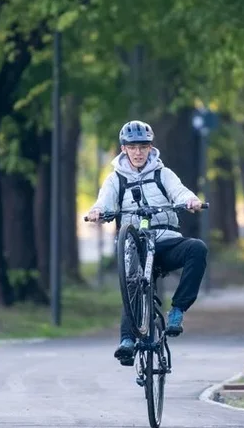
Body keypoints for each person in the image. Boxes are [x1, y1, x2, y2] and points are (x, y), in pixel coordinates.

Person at [86, 120, 206, 366]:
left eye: (143, 146)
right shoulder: (115, 180)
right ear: (124, 149)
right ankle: (127, 341)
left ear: (151, 148)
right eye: (133, 147)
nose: (138, 152)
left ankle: (177, 311)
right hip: (135, 244)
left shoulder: (163, 173)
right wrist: (98, 211)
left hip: (166, 241)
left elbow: (180, 192)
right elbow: (105, 201)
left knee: (197, 249)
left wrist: (191, 201)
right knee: (132, 284)